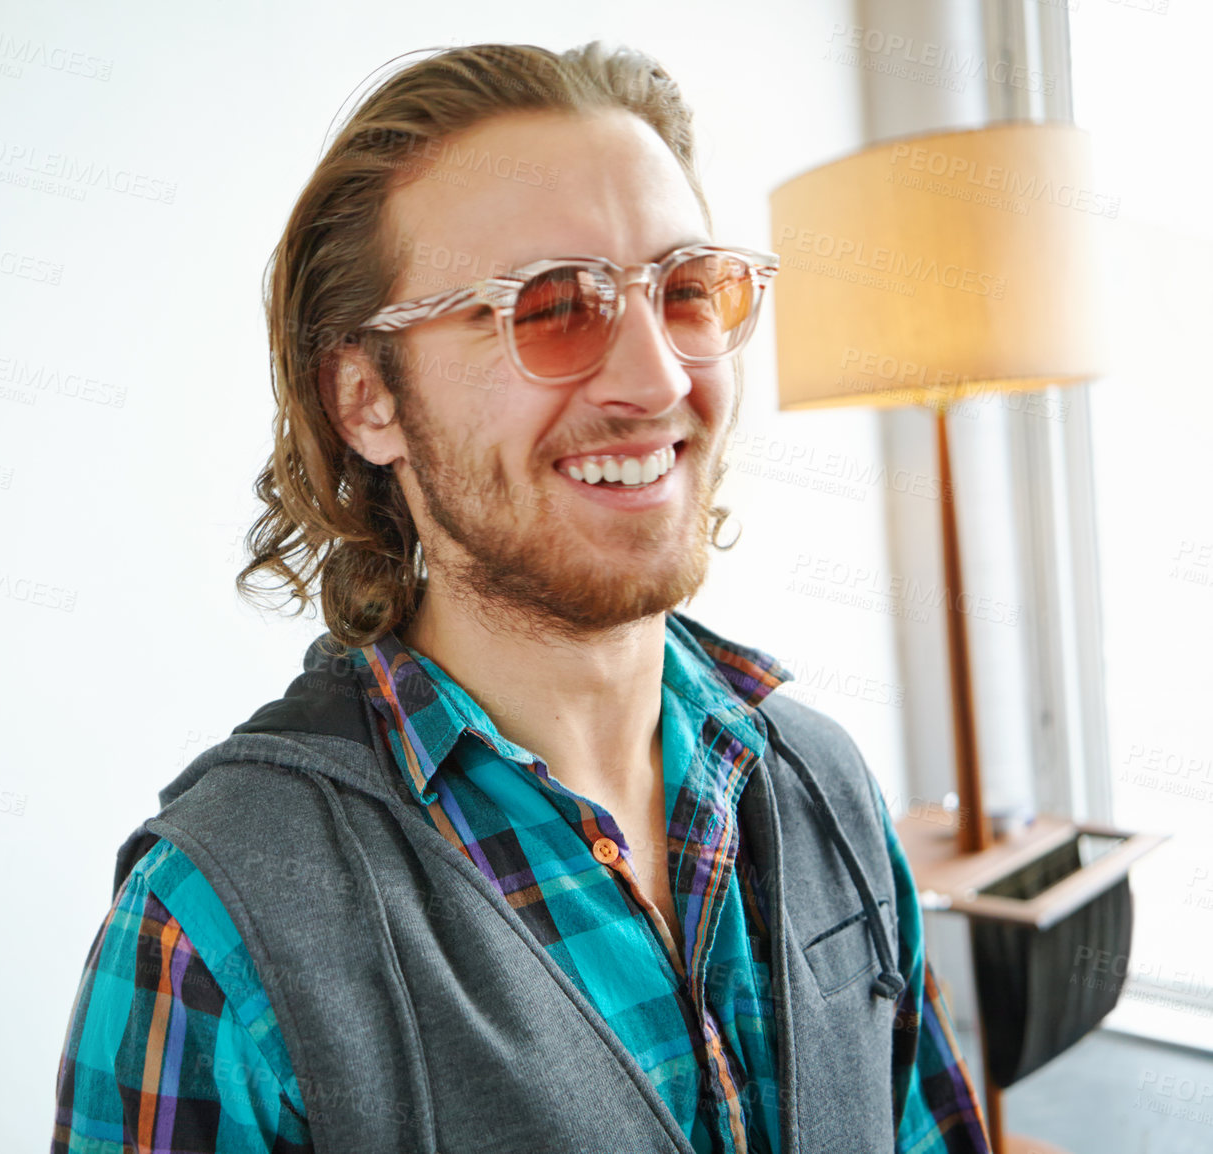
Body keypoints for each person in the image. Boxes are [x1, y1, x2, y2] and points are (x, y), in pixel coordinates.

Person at [52, 41, 990, 1154]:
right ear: (366, 399)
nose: (656, 380)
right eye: (550, 307)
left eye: (685, 290)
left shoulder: (817, 781)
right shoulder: (213, 932)